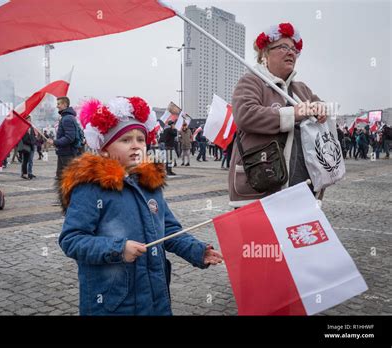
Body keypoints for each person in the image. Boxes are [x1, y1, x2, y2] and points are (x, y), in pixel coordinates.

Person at [58, 96, 223, 315]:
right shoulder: (90, 187)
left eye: (140, 139)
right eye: (125, 140)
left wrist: (197, 251)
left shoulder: (150, 184)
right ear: (104, 148)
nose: (136, 145)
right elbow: (72, 240)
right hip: (113, 303)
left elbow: (169, 229)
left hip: (155, 297)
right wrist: (118, 249)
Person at [228, 23, 328, 207]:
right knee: (260, 237)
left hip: (301, 186)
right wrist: (293, 113)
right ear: (265, 54)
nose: (291, 53)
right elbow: (246, 115)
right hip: (262, 185)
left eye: (294, 49)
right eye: (283, 47)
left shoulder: (301, 89)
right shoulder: (251, 81)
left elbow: (319, 104)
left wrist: (322, 109)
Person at [46, 97, 82, 179]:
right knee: (61, 178)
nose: (57, 106)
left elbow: (69, 138)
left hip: (67, 153)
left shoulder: (67, 118)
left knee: (68, 179)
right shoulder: (66, 117)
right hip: (64, 152)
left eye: (58, 104)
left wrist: (55, 142)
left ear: (65, 104)